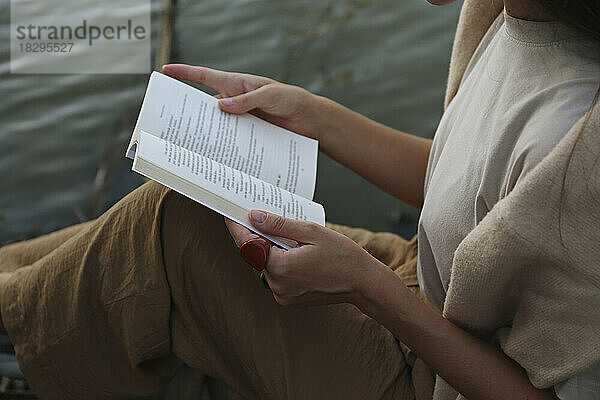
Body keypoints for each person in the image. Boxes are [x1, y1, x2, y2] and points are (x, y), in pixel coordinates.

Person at [1, 0, 599, 399]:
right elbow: (476, 195)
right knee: (180, 215)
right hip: (424, 284)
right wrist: (312, 115)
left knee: (173, 229)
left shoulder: (578, 144)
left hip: (434, 375)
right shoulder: (512, 12)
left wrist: (365, 286)